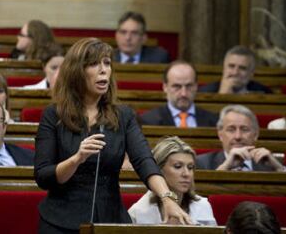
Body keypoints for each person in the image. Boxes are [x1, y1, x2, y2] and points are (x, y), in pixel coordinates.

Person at [34, 38, 192, 233]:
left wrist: (167, 198)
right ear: (76, 71)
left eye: (107, 63)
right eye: (94, 64)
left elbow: (144, 161)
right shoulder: (53, 115)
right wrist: (76, 159)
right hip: (60, 221)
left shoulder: (123, 116)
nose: (103, 70)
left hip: (110, 218)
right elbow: (43, 176)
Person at [128, 136, 217, 225]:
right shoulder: (138, 212)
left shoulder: (203, 206)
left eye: (190, 167)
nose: (186, 174)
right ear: (159, 170)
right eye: (178, 166)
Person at [196, 105, 286, 172]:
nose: (238, 136)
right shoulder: (202, 163)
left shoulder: (270, 164)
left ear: (255, 134)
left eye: (244, 129)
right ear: (220, 134)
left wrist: (279, 169)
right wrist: (224, 168)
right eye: (231, 130)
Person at [140, 60, 218, 127]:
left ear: (196, 86)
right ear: (165, 87)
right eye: (177, 86)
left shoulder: (213, 121)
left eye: (189, 86)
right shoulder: (149, 121)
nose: (183, 94)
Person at [199, 46, 272, 94]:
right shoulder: (204, 92)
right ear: (224, 69)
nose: (235, 72)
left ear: (251, 73)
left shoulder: (265, 93)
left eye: (242, 68)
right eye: (231, 66)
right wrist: (222, 97)